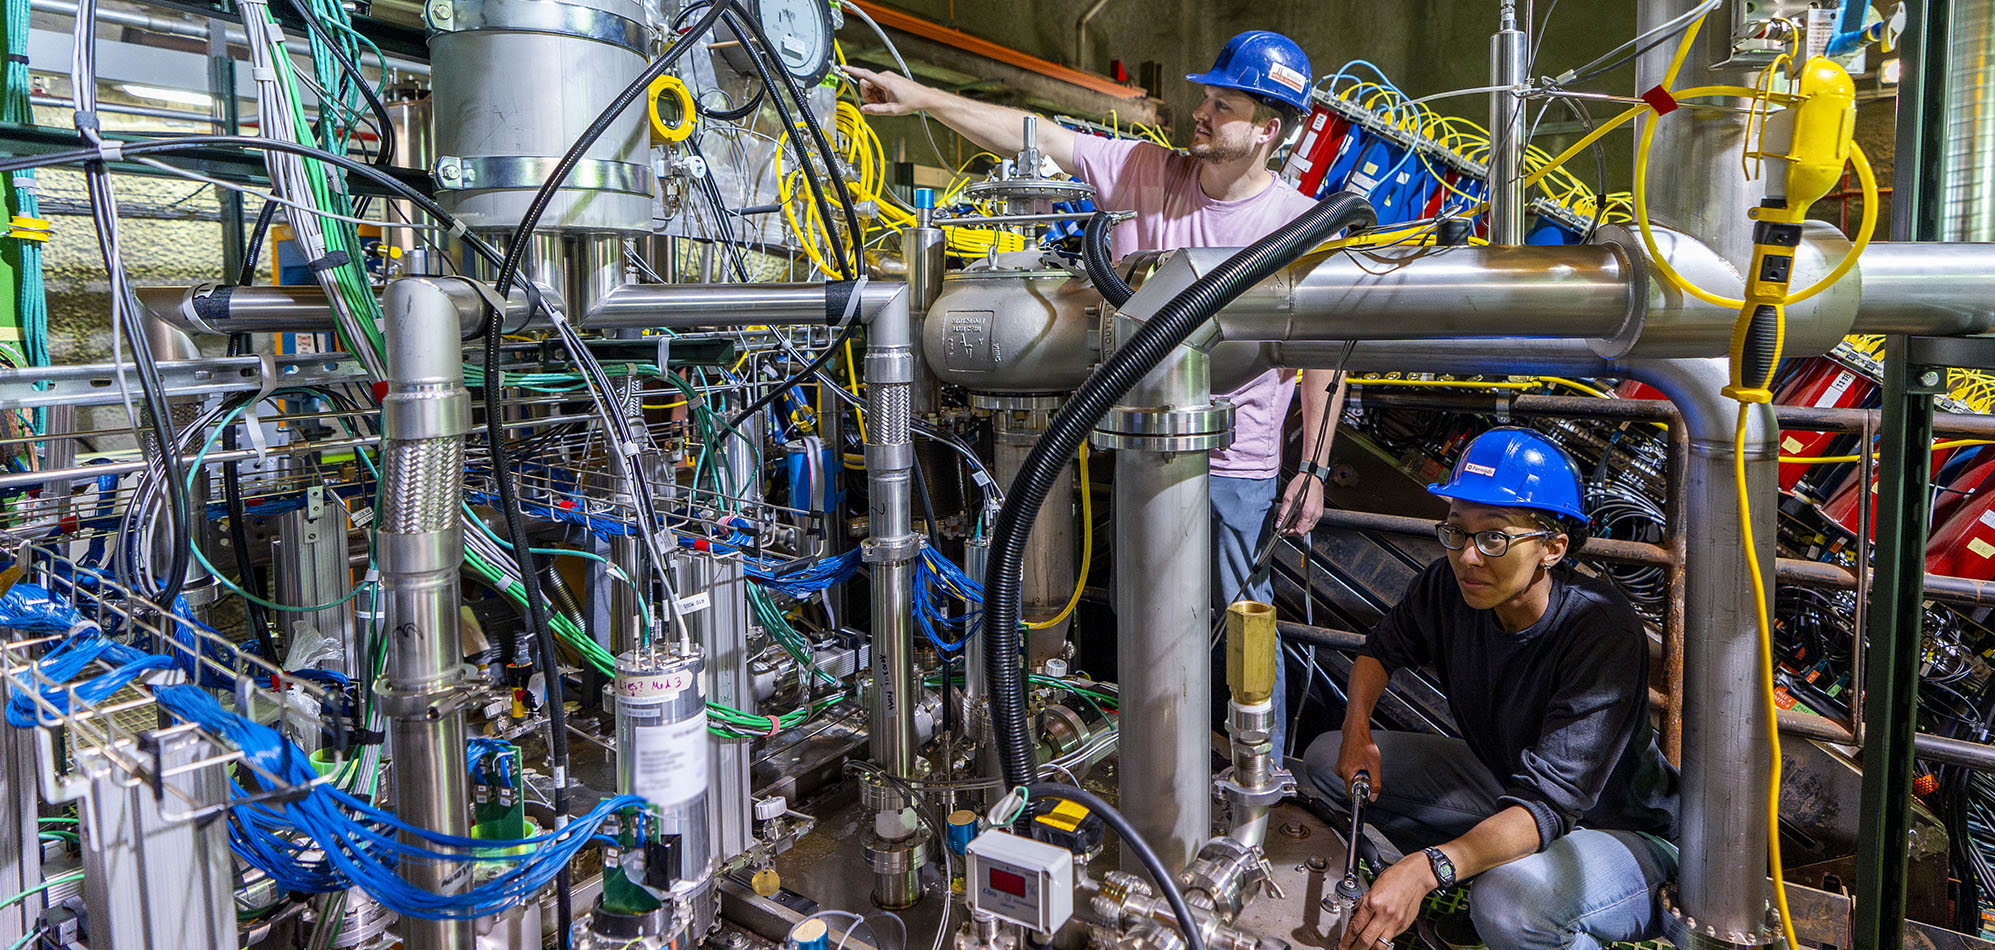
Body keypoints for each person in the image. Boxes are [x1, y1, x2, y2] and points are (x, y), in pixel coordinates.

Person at [849, 31, 1342, 751]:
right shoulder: (1147, 171)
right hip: (1129, 447)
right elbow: (1039, 136)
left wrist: (1314, 468)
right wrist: (917, 96)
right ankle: (1153, 754)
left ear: (1267, 130)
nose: (1199, 113)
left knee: (1236, 613)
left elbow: (1323, 359)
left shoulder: (1297, 223)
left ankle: (1250, 768)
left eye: (1221, 105)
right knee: (1140, 612)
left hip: (1232, 466)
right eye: (1203, 97)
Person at [1302, 428, 1680, 950]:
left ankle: (1520, 902)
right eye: (1457, 531)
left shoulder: (1600, 629)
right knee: (1325, 761)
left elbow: (1551, 804)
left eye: (1495, 536)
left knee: (1509, 903)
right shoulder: (1450, 586)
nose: (1470, 557)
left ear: (1553, 547)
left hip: (1620, 831)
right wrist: (1356, 729)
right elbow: (1379, 650)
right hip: (1512, 786)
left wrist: (1428, 868)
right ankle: (1469, 875)